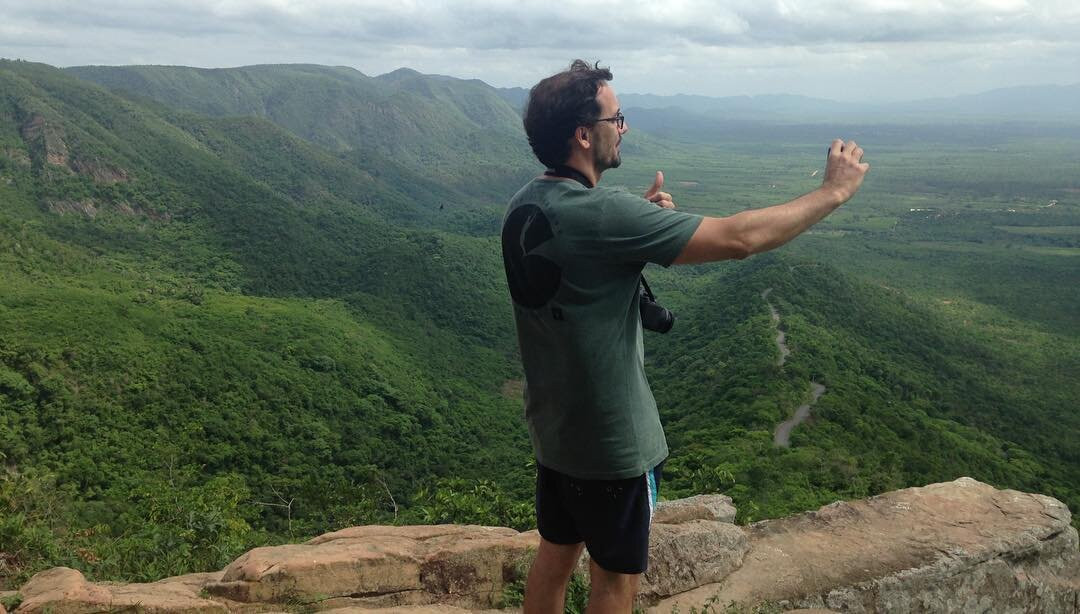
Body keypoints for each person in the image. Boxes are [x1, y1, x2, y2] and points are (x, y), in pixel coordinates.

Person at [501, 60, 869, 613]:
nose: (622, 127)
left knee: (555, 556)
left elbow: (578, 261)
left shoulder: (524, 204)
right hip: (614, 444)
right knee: (615, 579)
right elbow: (739, 238)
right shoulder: (604, 216)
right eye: (616, 118)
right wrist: (831, 194)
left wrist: (638, 227)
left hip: (555, 433)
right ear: (583, 133)